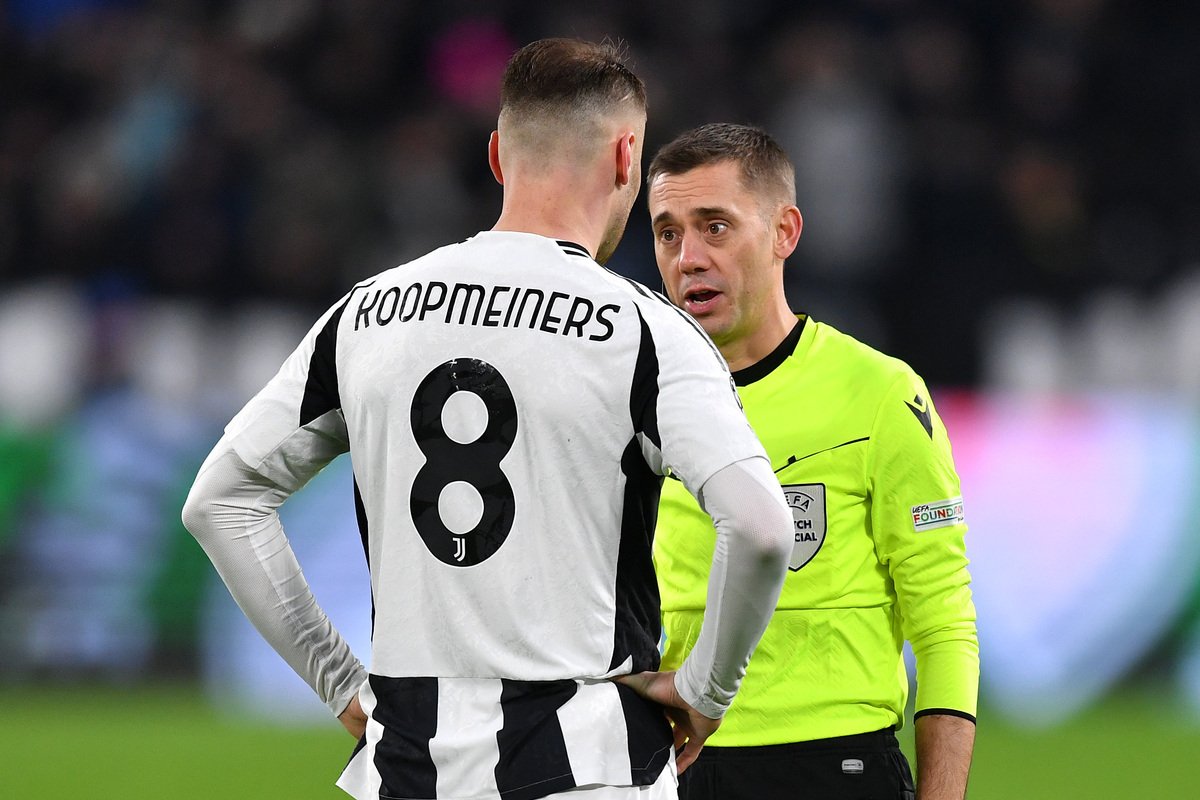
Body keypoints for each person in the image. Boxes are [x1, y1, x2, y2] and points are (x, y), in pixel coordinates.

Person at [182, 41, 794, 800]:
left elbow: (219, 501)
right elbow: (761, 527)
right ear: (626, 156)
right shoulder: (645, 332)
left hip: (408, 770)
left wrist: (338, 680)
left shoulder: (365, 314)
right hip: (588, 767)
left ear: (499, 155)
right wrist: (707, 691)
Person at [646, 123, 979, 800]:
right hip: (676, 769)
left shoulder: (879, 394)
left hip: (835, 769)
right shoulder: (636, 401)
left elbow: (943, 619)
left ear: (784, 232)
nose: (688, 258)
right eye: (668, 233)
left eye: (715, 227)